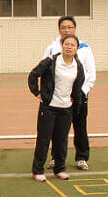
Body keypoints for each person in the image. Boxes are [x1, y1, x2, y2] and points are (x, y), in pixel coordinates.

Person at [29, 35, 85, 182]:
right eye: (67, 44)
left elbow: (79, 83)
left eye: (72, 45)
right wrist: (37, 93)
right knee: (44, 139)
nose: (69, 47)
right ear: (62, 46)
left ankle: (59, 169)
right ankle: (38, 170)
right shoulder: (51, 61)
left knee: (61, 140)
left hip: (66, 109)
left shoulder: (78, 65)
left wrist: (75, 98)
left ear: (77, 48)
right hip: (49, 107)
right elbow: (33, 75)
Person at [43, 16, 96, 170]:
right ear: (59, 29)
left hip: (79, 96)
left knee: (80, 126)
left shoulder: (85, 48)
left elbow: (90, 73)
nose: (66, 30)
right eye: (63, 27)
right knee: (58, 129)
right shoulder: (52, 48)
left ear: (75, 29)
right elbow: (44, 70)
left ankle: (82, 157)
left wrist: (81, 93)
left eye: (70, 27)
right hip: (58, 97)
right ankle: (56, 158)